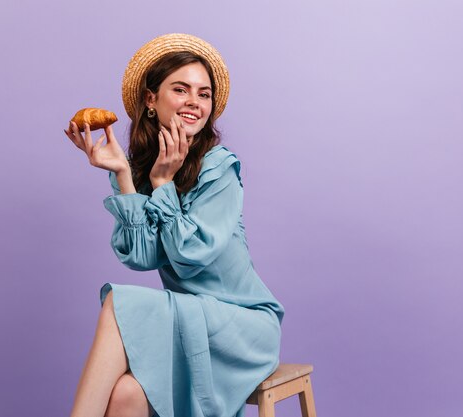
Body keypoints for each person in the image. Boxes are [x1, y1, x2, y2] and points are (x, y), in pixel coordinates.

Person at [63, 33, 285, 417]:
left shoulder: (220, 169)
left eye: (203, 94)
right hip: (189, 318)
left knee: (119, 301)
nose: (194, 103)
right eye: (180, 90)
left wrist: (165, 184)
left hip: (243, 326)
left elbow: (188, 256)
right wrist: (124, 175)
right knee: (125, 395)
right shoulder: (143, 168)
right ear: (151, 100)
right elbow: (141, 257)